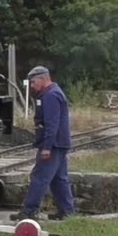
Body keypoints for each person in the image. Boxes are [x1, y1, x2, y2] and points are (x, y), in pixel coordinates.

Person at [18, 66, 75, 220]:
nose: (31, 86)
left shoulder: (50, 96)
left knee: (39, 177)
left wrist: (46, 147)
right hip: (60, 144)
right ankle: (67, 212)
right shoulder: (53, 93)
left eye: (33, 82)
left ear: (43, 79)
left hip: (54, 145)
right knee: (59, 179)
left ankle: (29, 211)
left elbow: (52, 124)